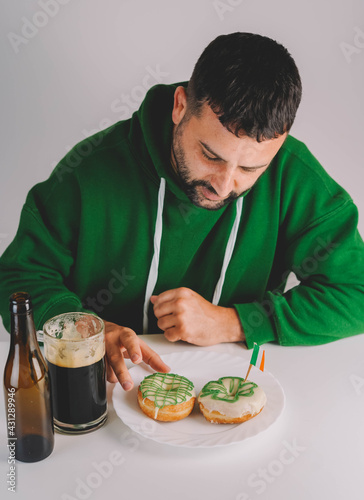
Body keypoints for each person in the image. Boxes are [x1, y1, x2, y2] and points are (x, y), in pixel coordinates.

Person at [1, 33, 364, 391]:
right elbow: (18, 277)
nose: (224, 186)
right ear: (180, 107)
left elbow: (356, 292)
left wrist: (235, 322)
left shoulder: (295, 176)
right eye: (210, 155)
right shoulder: (89, 171)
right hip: (105, 390)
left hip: (235, 393)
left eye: (249, 169)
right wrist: (86, 331)